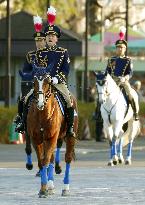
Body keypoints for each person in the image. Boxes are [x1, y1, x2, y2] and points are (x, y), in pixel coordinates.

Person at [16, 6, 75, 137]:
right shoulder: (40, 53)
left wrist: (56, 78)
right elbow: (36, 68)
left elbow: (65, 70)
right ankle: (22, 123)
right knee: (25, 99)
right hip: (43, 83)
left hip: (58, 82)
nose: (50, 37)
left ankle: (70, 128)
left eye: (52, 35)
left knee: (69, 100)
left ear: (56, 38)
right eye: (48, 35)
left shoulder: (63, 52)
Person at [14, 15, 46, 130]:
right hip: (34, 84)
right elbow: (26, 70)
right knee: (23, 98)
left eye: (41, 40)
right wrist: (28, 75)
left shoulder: (51, 53)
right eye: (37, 41)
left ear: (45, 40)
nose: (38, 43)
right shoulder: (30, 55)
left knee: (66, 98)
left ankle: (68, 123)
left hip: (48, 83)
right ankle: (21, 120)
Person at [105, 26, 139, 121]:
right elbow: (107, 71)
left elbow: (130, 72)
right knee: (101, 94)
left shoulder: (128, 60)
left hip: (123, 81)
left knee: (130, 94)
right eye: (118, 47)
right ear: (116, 48)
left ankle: (135, 112)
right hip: (112, 81)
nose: (119, 49)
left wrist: (125, 78)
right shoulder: (111, 59)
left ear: (125, 49)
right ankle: (98, 113)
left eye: (122, 47)